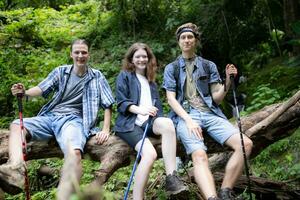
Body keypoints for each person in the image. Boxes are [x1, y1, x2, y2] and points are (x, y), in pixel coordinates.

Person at [0, 39, 115, 195]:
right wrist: (24, 93)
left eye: (84, 52)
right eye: (77, 52)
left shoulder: (97, 76)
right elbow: (41, 89)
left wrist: (105, 129)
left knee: (74, 154)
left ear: (88, 54)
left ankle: (66, 195)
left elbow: (108, 103)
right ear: (71, 54)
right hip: (51, 117)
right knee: (16, 125)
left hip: (74, 121)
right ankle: (15, 168)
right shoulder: (61, 71)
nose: (80, 55)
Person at [163, 23, 253, 200]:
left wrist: (227, 81)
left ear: (195, 40)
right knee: (199, 154)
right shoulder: (171, 68)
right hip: (185, 116)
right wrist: (188, 120)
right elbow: (171, 99)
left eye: (190, 37)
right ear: (178, 42)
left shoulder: (208, 65)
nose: (187, 40)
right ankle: (212, 198)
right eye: (183, 37)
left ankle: (226, 191)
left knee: (245, 144)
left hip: (211, 114)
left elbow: (217, 98)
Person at [114, 43, 187, 199]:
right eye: (138, 56)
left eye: (144, 56)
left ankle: (172, 177)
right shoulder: (125, 76)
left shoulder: (151, 82)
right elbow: (121, 103)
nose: (142, 59)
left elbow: (158, 110)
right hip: (130, 123)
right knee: (150, 155)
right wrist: (141, 110)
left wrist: (156, 115)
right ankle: (137, 197)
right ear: (131, 59)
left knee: (167, 124)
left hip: (148, 123)